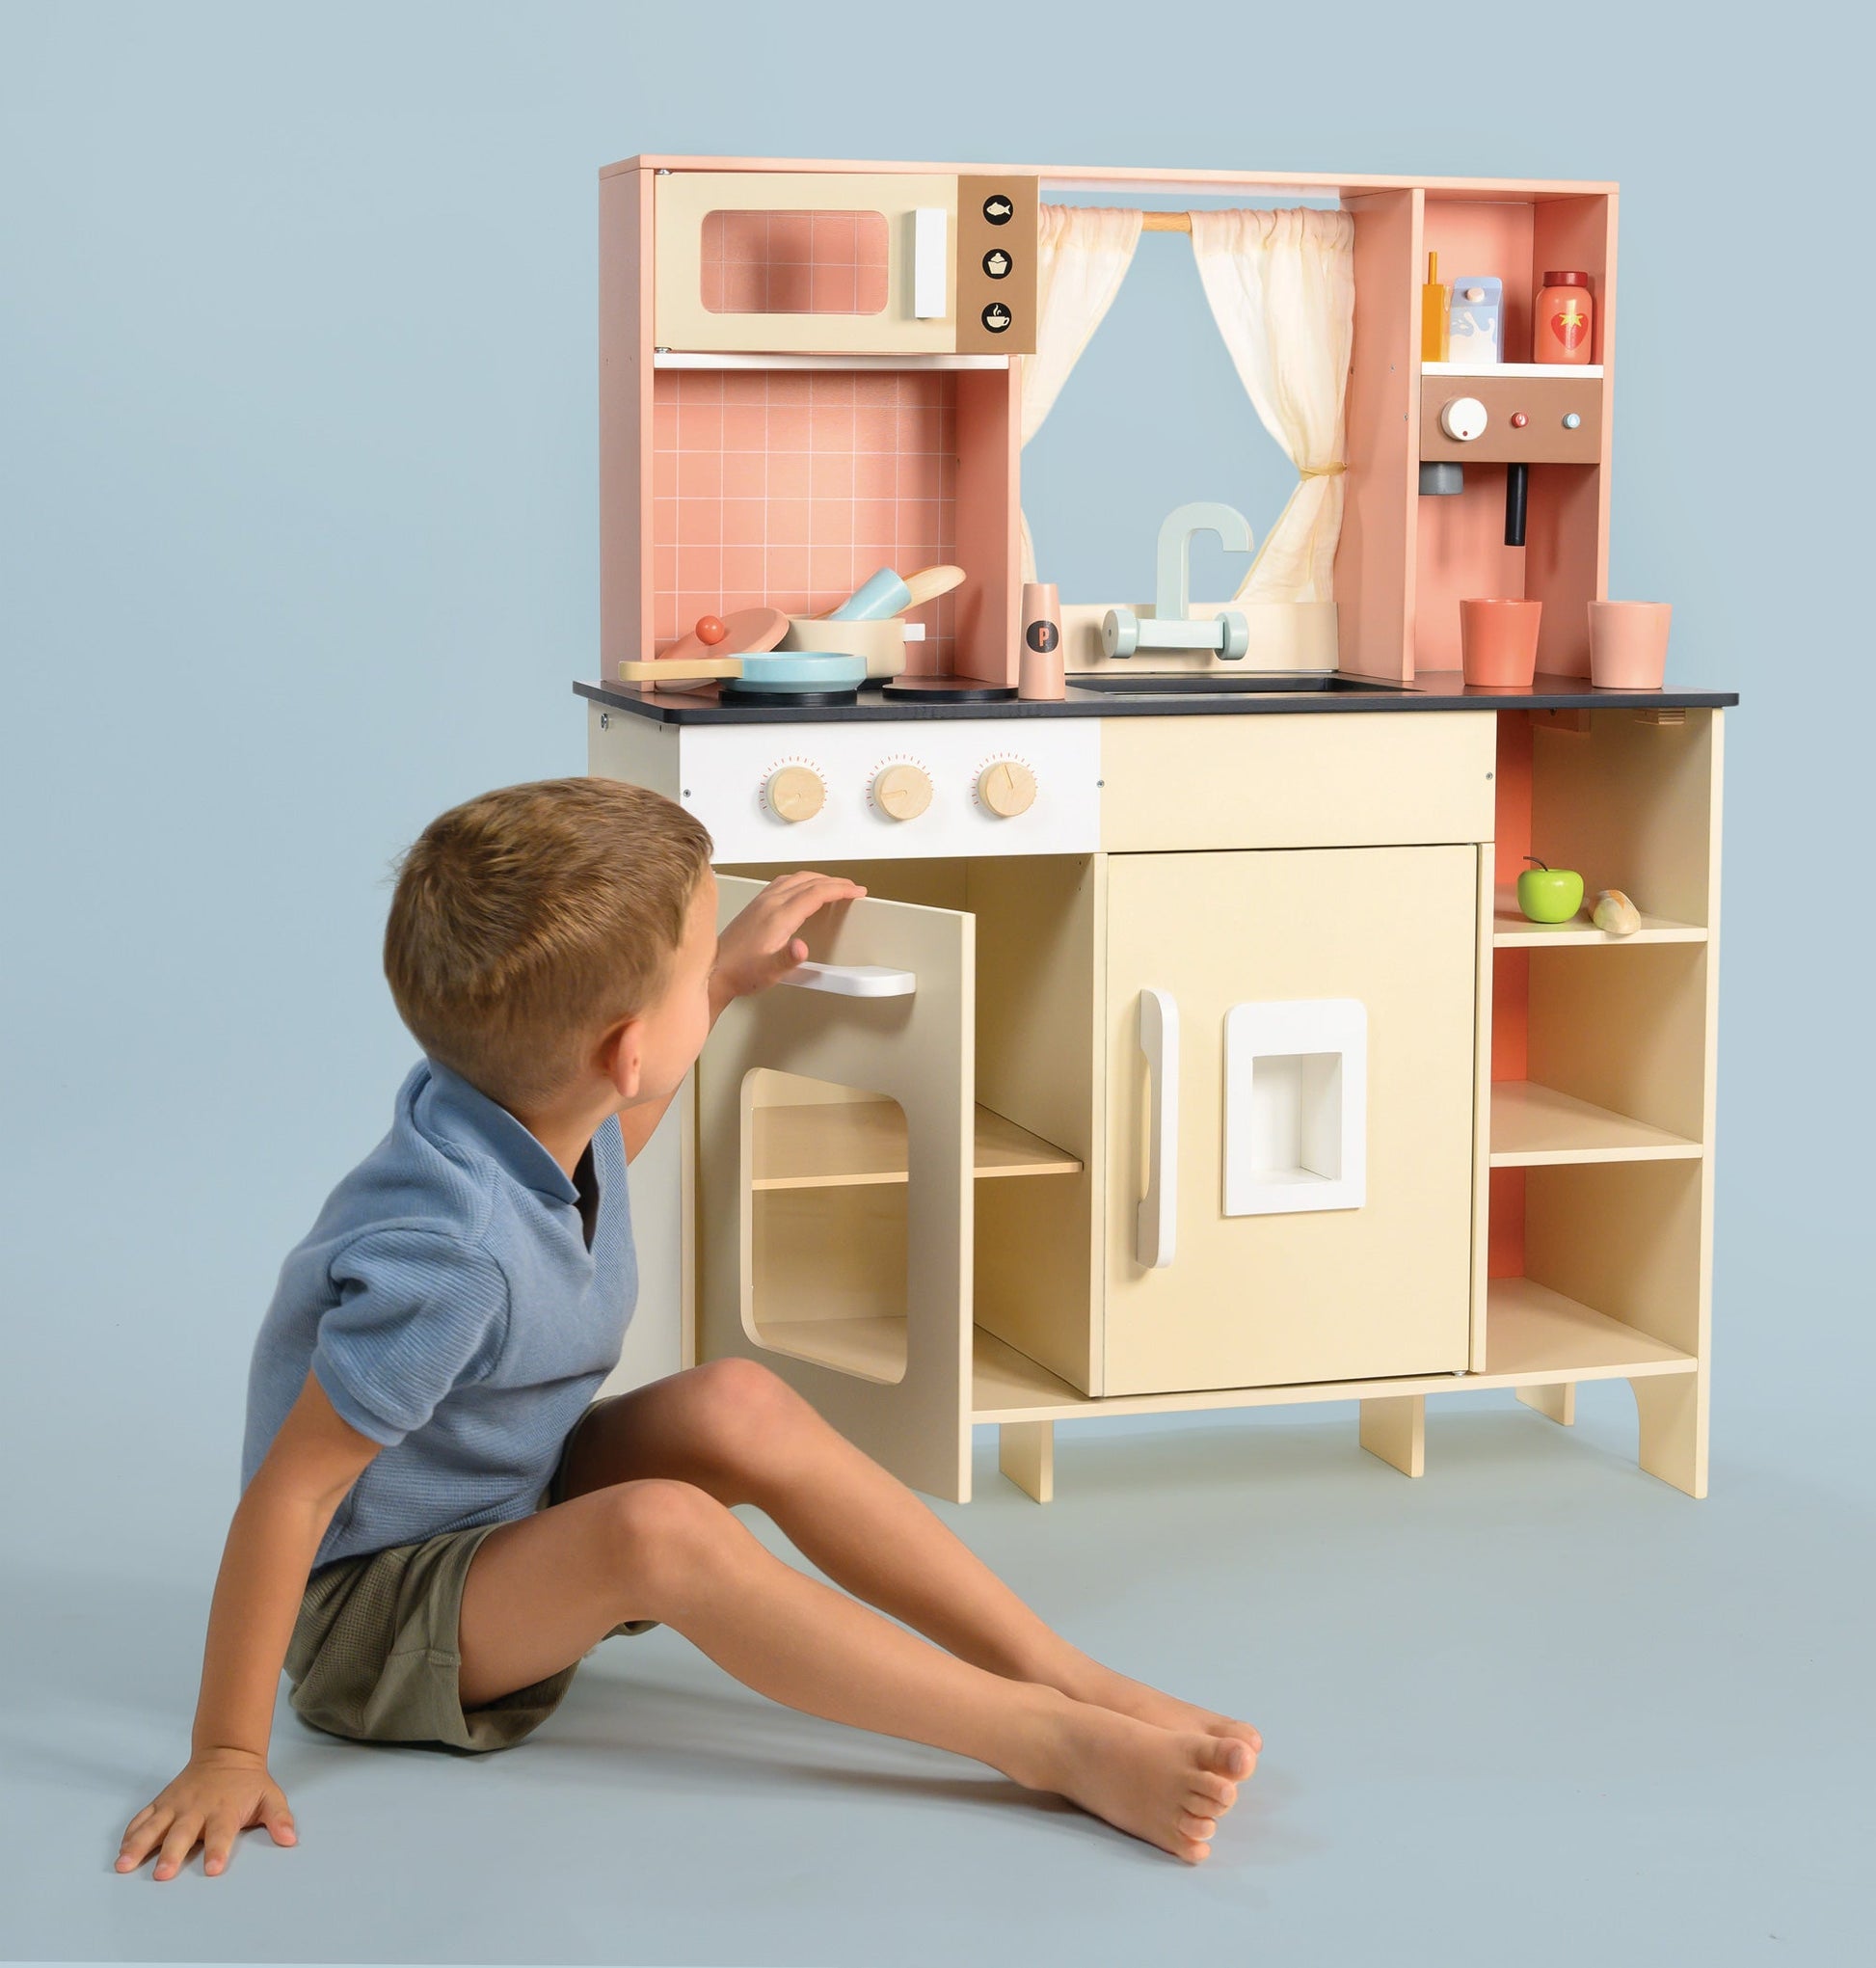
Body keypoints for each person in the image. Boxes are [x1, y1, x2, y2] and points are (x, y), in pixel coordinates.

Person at [117, 778, 1258, 1882]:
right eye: (694, 958)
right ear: (622, 1048)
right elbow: (294, 1491)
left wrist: (713, 984)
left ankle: (1061, 1673)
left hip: (505, 1505)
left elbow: (615, 1134)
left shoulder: (518, 1111)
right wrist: (228, 1749)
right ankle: (1042, 1740)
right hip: (377, 1623)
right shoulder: (447, 1258)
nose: (710, 967)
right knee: (657, 1529)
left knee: (736, 1399)